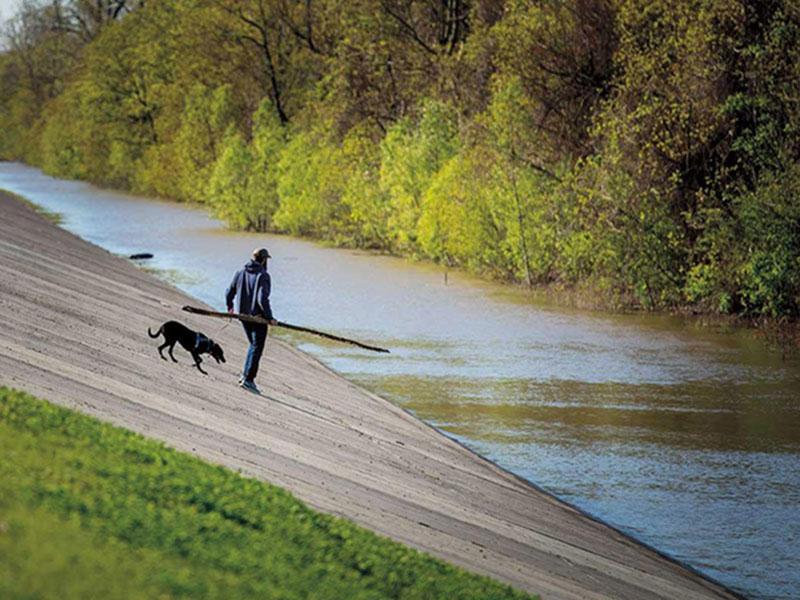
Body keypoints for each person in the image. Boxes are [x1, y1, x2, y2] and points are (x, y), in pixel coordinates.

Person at [225, 247, 277, 394]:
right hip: (258, 319)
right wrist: (270, 318)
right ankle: (248, 379)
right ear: (263, 259)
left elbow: (229, 292)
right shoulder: (263, 275)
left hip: (243, 317)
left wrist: (230, 307)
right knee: (256, 347)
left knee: (253, 345)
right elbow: (262, 299)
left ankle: (245, 376)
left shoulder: (240, 272)